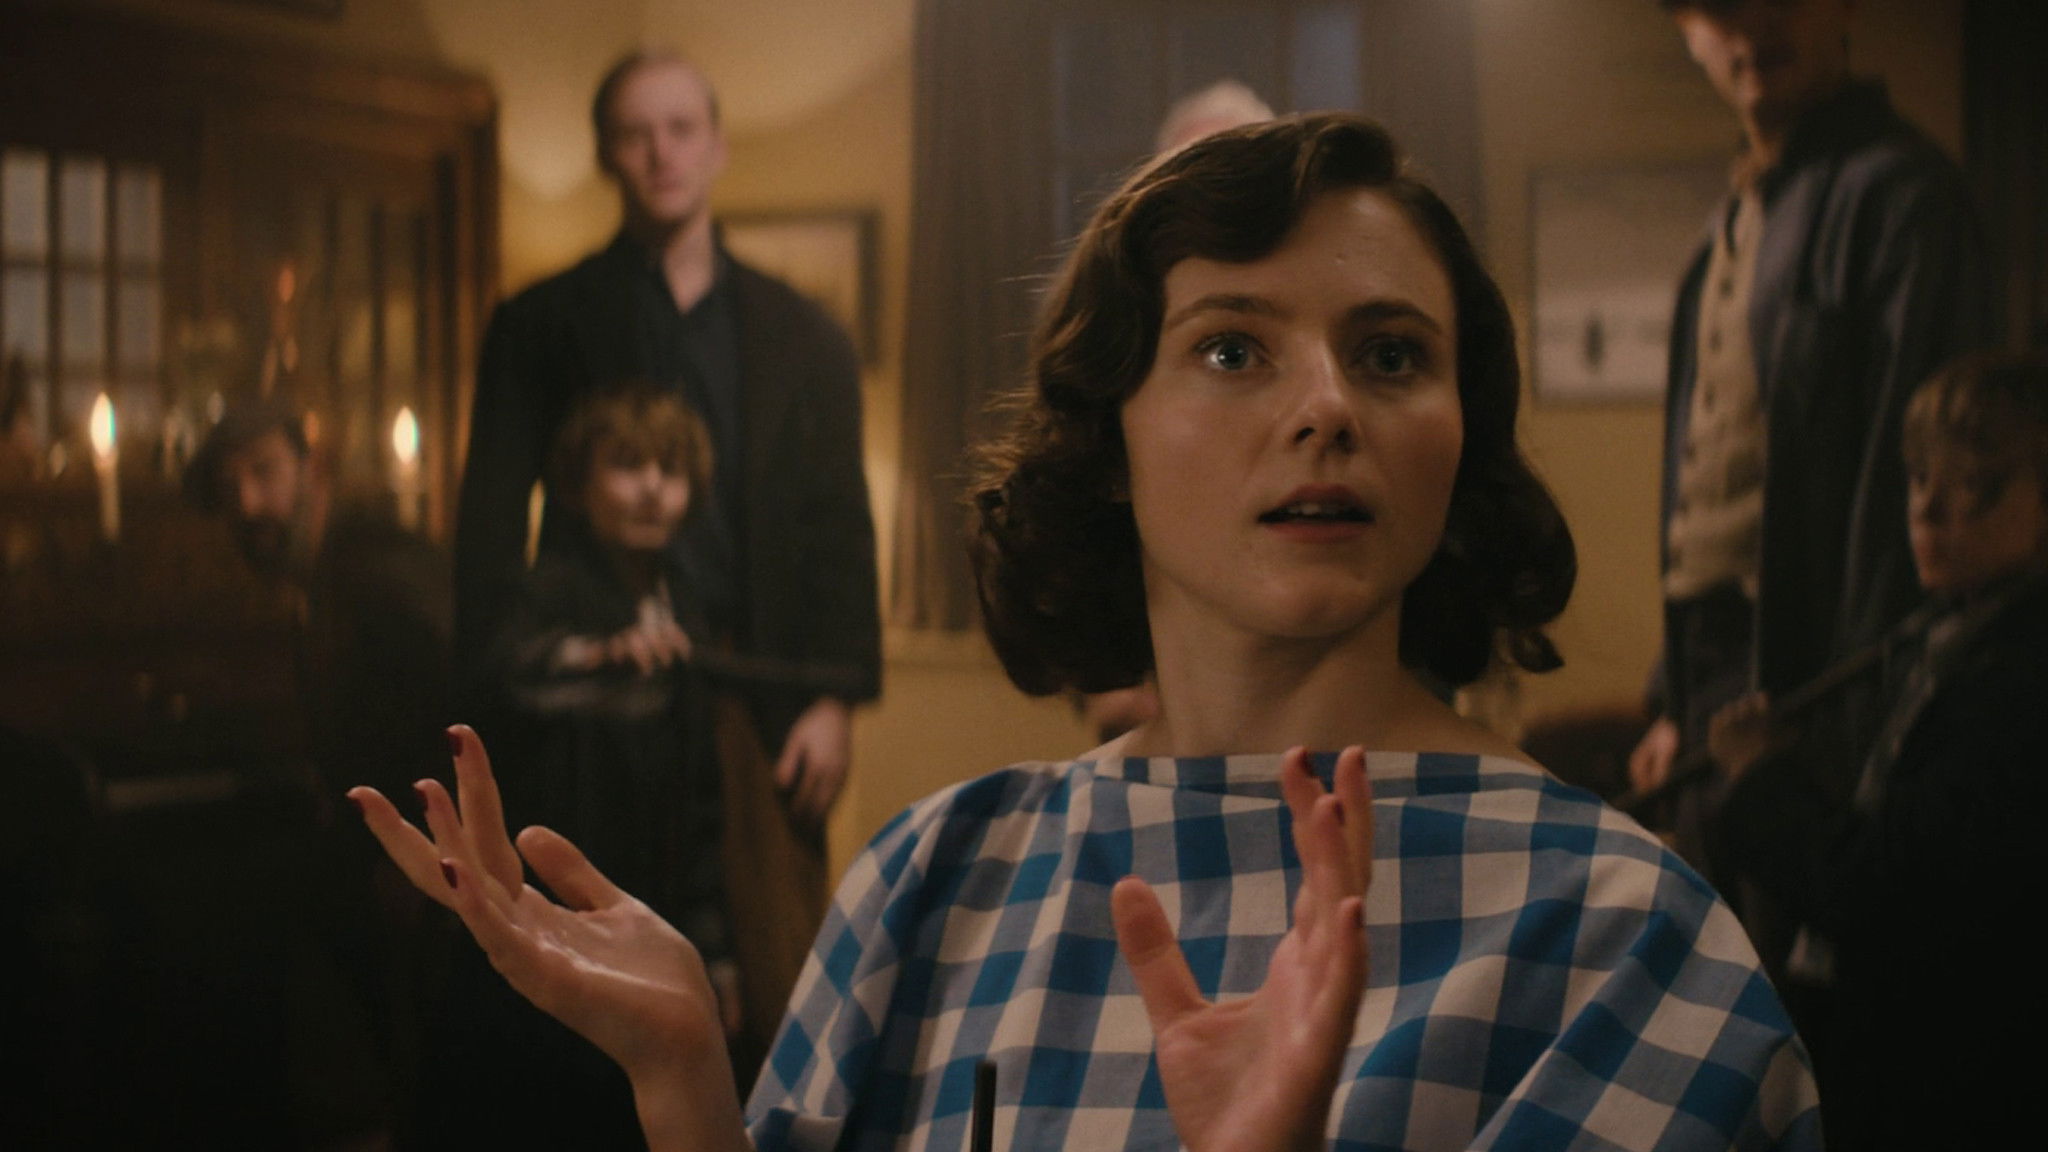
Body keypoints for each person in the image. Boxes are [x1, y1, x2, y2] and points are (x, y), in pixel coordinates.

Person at [354, 115, 1820, 1150]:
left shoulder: (1622, 934)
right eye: (1232, 347)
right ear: (1109, 436)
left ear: (1457, 436)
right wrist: (685, 1083)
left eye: (1389, 354)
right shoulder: (934, 878)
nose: (1327, 406)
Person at [1627, 0, 1996, 895]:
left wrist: (1854, 726)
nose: (1756, 25)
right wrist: (1675, 701)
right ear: (1687, 30)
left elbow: (1915, 504)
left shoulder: (1904, 197)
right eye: (1722, 7)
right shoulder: (1733, 216)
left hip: (1825, 691)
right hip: (1717, 680)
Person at [1704, 352, 2048, 1150]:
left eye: (1977, 484)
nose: (1929, 507)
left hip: (1958, 1087)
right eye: (1920, 476)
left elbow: (1883, 892)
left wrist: (1761, 778)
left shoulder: (2019, 678)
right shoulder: (1951, 637)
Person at [187, 399, 451, 1146]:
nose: (248, 504)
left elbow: (454, 702)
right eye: (230, 488)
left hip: (426, 876)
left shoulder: (376, 566)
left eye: (264, 473)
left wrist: (417, 854)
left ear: (313, 469)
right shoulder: (326, 575)